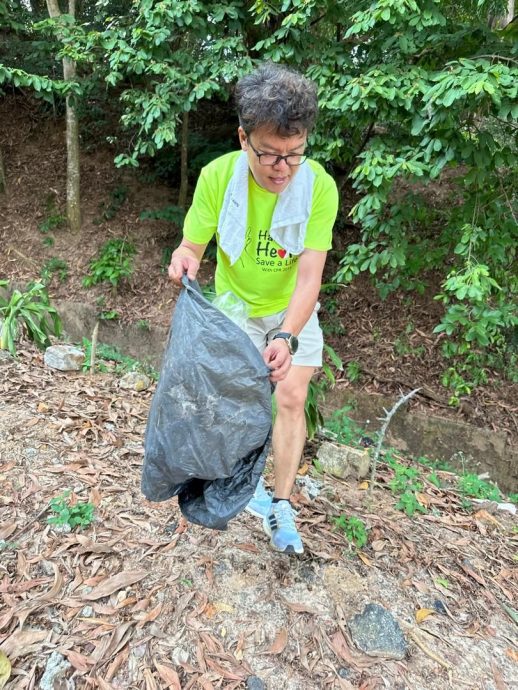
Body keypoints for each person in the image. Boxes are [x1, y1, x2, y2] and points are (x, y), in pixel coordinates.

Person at [168, 63, 339, 555]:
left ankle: (281, 505)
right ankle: (237, 483)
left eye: (294, 154)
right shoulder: (218, 177)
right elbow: (191, 248)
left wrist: (285, 335)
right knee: (235, 401)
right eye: (269, 154)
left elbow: (310, 277)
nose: (282, 168)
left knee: (289, 396)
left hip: (292, 309)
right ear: (243, 138)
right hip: (236, 308)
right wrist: (183, 261)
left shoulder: (319, 187)